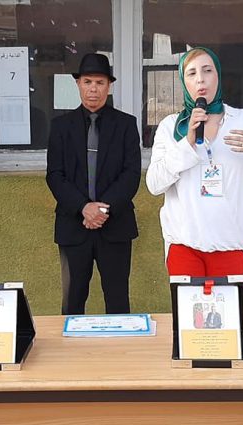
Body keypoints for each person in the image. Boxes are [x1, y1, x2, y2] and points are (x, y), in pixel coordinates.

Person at [145, 47, 243, 277]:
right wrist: (187, 142)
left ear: (218, 76)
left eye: (207, 70)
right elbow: (154, 185)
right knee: (187, 303)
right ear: (184, 82)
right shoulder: (171, 127)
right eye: (191, 73)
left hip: (231, 246)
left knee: (229, 303)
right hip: (184, 246)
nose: (200, 79)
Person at [46, 53, 141, 315]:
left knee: (117, 298)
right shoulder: (60, 127)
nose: (93, 89)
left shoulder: (126, 124)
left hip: (115, 224)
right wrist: (84, 208)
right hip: (73, 225)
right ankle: (71, 344)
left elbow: (131, 174)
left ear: (109, 86)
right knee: (73, 299)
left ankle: (118, 342)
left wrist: (102, 209)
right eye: (87, 82)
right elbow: (55, 175)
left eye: (100, 82)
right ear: (78, 84)